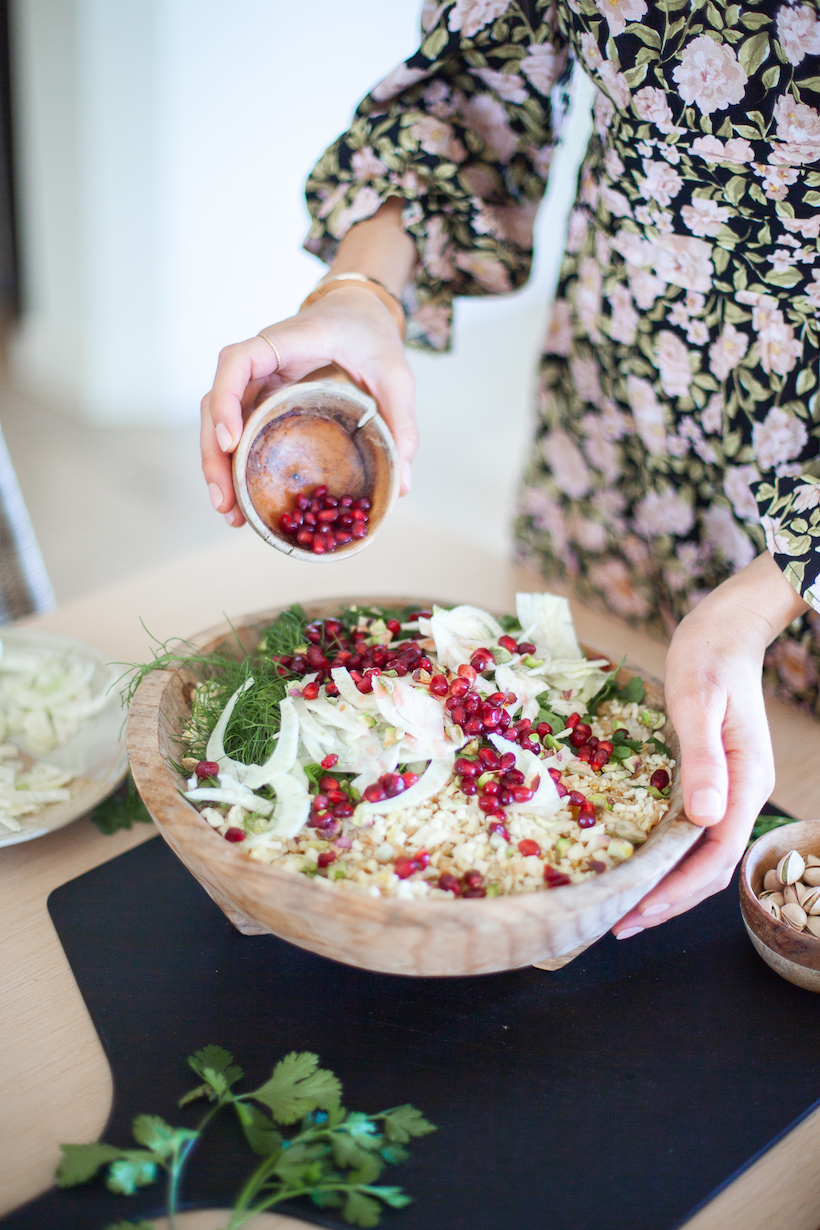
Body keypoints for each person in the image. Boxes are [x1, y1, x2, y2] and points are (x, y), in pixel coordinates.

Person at [200, 0, 820, 938]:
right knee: (569, 697)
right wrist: (360, 290)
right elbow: (475, 81)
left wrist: (773, 588)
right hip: (616, 428)